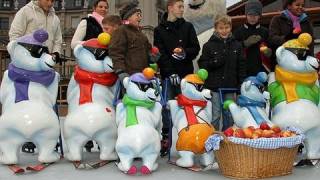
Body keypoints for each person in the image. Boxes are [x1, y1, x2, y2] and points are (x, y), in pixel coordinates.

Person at [8, 0, 62, 154]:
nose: (51, 2)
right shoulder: (25, 11)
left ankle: (47, 137)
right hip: (27, 67)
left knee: (45, 102)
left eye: (53, 0)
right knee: (28, 103)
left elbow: (58, 40)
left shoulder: (55, 17)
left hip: (45, 65)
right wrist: (23, 56)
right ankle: (28, 138)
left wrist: (56, 53)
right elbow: (14, 36)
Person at [153, 0, 200, 156]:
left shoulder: (188, 27)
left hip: (186, 76)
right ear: (170, 8)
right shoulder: (159, 30)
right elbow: (160, 54)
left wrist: (184, 53)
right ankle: (166, 139)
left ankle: (188, 139)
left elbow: (195, 48)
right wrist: (170, 72)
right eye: (179, 7)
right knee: (167, 108)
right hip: (169, 77)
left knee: (188, 108)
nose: (182, 10)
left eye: (183, 7)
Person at [198, 14, 246, 131]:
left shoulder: (237, 45)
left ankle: (227, 140)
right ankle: (213, 137)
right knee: (216, 114)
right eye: (221, 28)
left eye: (227, 27)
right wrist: (215, 61)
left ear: (230, 27)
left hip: (230, 86)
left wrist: (241, 84)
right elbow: (202, 64)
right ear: (215, 28)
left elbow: (241, 66)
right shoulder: (208, 46)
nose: (224, 31)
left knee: (229, 114)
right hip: (214, 87)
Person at [109, 0, 155, 81]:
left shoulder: (142, 35)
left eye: (140, 15)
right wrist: (120, 71)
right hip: (129, 75)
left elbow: (148, 51)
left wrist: (152, 56)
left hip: (143, 75)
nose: (140, 17)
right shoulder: (121, 31)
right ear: (128, 16)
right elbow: (116, 52)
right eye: (137, 15)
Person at [269, 0, 314, 68]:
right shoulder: (277, 19)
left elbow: (311, 42)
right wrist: (287, 38)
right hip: (283, 62)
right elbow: (272, 39)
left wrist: (311, 60)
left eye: (302, 5)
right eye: (297, 5)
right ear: (289, 6)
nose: (301, 7)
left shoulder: (306, 21)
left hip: (302, 63)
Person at [234, 0, 272, 75]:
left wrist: (269, 52)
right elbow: (232, 48)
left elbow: (272, 47)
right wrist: (244, 43)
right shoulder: (238, 31)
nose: (252, 17)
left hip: (262, 71)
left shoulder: (265, 31)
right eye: (250, 14)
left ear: (259, 16)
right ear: (246, 15)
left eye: (255, 14)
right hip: (243, 70)